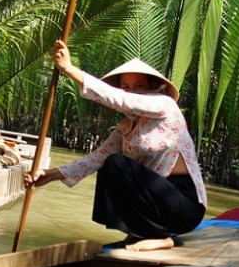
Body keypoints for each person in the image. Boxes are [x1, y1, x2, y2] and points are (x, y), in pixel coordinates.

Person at [25, 40, 207, 251]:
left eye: (139, 87)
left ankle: (162, 237)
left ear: (153, 88)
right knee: (109, 164)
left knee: (116, 164)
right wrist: (50, 174)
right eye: (126, 87)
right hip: (158, 202)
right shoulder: (126, 126)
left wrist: (69, 69)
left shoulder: (165, 105)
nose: (133, 92)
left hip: (185, 205)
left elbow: (122, 100)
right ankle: (143, 231)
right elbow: (95, 158)